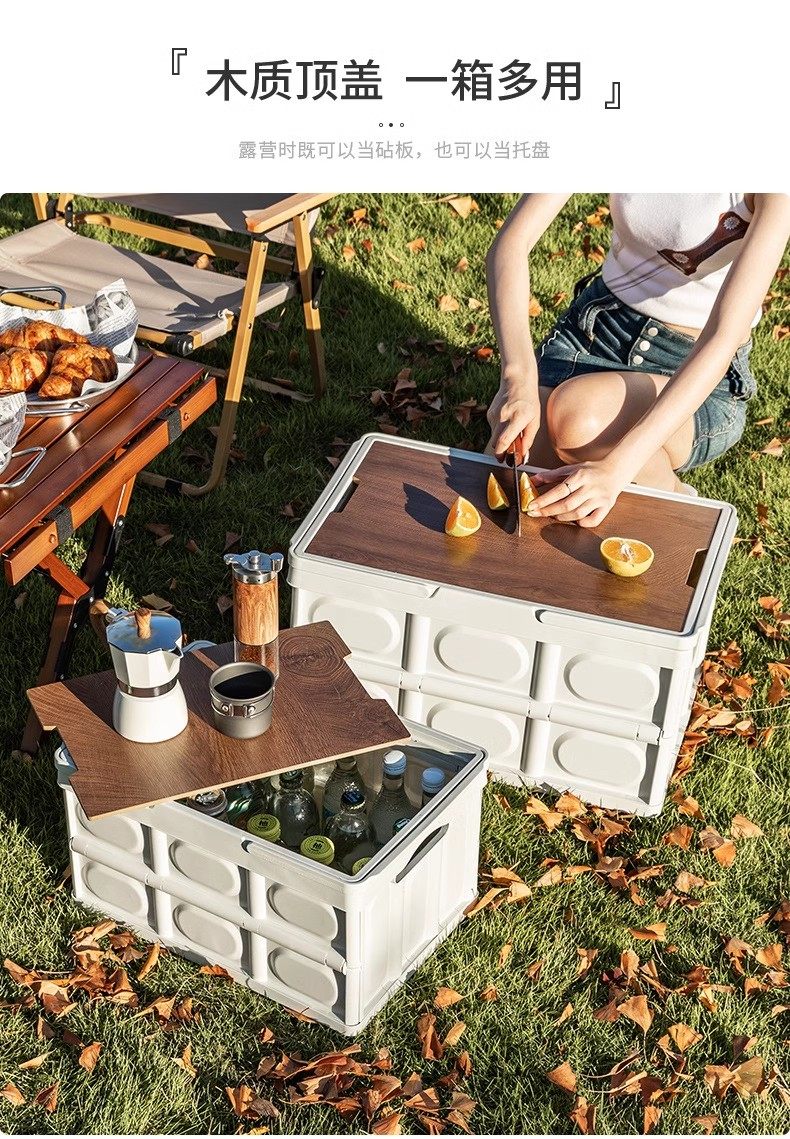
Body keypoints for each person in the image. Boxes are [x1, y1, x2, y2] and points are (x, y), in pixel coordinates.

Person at [485, 193, 790, 527]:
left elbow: (722, 336)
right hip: (594, 331)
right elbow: (512, 244)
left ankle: (677, 499)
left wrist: (617, 469)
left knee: (577, 419)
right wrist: (517, 379)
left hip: (692, 365)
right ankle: (632, 470)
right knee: (513, 479)